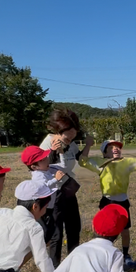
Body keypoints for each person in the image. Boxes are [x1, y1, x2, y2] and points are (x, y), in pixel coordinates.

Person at [79, 137, 136, 269]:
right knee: (105, 231)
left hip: (123, 201)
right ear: (104, 152)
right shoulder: (100, 163)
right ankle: (104, 256)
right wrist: (88, 145)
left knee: (125, 230)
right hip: (107, 200)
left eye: (117, 147)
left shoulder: (126, 162)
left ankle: (126, 255)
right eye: (111, 148)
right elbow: (82, 162)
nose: (115, 149)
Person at [40, 109, 92, 262]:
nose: (70, 140)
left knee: (74, 228)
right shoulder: (47, 143)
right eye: (67, 137)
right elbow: (39, 168)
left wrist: (88, 145)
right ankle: (55, 267)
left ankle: (73, 262)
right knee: (56, 233)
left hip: (68, 190)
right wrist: (53, 151)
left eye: (73, 137)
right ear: (58, 131)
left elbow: (80, 160)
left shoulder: (71, 144)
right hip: (54, 193)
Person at [21, 145, 71, 267]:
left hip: (51, 208)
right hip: (44, 210)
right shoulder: (38, 175)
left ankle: (52, 263)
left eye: (45, 157)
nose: (47, 159)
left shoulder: (47, 169)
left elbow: (64, 167)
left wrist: (61, 153)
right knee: (51, 237)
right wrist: (56, 179)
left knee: (53, 236)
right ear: (34, 167)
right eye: (42, 159)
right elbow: (42, 187)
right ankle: (49, 263)